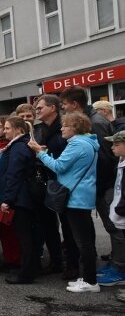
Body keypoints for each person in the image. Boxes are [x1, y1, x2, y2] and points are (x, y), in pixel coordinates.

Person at [28, 112, 99, 293]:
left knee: (83, 242)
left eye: (65, 126)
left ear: (75, 128)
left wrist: (40, 153)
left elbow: (59, 166)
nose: (61, 129)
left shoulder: (76, 144)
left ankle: (91, 281)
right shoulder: (88, 142)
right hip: (80, 195)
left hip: (76, 197)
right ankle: (86, 277)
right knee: (82, 240)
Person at [60, 87, 117, 259]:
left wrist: (97, 186)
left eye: (64, 104)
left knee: (113, 226)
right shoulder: (92, 120)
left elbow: (105, 160)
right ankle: (117, 259)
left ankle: (119, 267)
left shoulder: (95, 123)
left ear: (75, 104)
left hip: (104, 185)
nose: (63, 107)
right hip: (101, 184)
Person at [0, 117, 38, 284]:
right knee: (25, 235)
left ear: (18, 130)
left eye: (8, 128)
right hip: (21, 196)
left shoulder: (18, 148)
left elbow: (14, 175)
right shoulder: (18, 146)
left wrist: (7, 199)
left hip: (20, 198)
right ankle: (29, 268)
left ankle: (27, 273)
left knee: (25, 236)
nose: (4, 131)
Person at [33, 94, 66, 275]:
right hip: (47, 181)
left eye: (40, 108)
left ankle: (72, 264)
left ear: (53, 108)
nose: (37, 111)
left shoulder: (63, 128)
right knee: (48, 225)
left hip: (63, 181)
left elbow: (62, 157)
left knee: (69, 225)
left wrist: (42, 153)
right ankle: (56, 261)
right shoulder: (41, 129)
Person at [98, 130, 125, 287]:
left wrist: (119, 210)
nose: (112, 148)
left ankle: (119, 270)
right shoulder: (120, 162)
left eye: (117, 144)